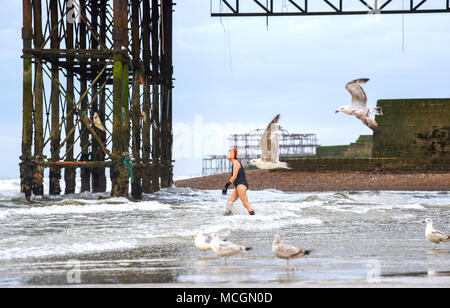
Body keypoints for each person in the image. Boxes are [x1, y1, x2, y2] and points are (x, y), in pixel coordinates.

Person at [222, 147, 255, 216]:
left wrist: (226, 186)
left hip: (241, 185)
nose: (228, 154)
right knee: (229, 202)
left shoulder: (236, 163)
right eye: (228, 153)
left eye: (229, 153)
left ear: (233, 155)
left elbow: (234, 176)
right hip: (237, 186)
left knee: (246, 203)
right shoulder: (235, 163)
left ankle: (254, 218)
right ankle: (226, 218)